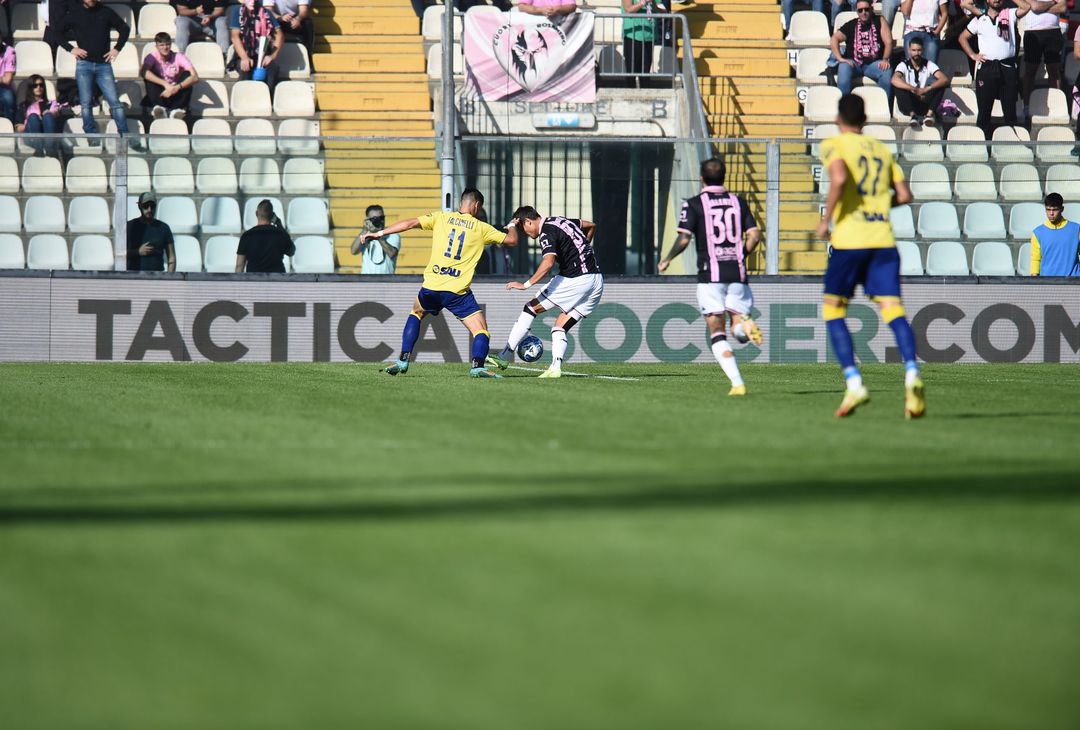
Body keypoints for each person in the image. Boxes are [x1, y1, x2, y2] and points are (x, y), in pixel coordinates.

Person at [815, 94, 924, 419]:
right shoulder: (881, 149)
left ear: (838, 118)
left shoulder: (834, 144)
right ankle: (912, 374)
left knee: (833, 310)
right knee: (893, 310)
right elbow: (904, 194)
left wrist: (826, 220)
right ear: (864, 120)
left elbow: (839, 178)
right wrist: (877, 206)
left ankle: (854, 382)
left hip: (850, 241)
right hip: (883, 241)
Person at [355, 187, 519, 379]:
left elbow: (409, 223)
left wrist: (379, 234)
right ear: (476, 206)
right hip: (457, 291)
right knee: (480, 330)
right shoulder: (482, 228)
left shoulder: (441, 218)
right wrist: (512, 225)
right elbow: (512, 240)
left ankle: (403, 360)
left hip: (432, 286)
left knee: (416, 313)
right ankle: (477, 366)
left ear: (461, 203)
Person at [657, 157, 763, 397]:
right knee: (738, 328)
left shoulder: (694, 204)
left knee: (717, 332)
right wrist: (739, 255)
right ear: (724, 176)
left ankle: (738, 384)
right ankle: (745, 325)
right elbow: (754, 236)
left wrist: (667, 259)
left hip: (710, 275)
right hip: (737, 272)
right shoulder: (739, 202)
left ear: (701, 178)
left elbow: (684, 239)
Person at [486, 206, 603, 379]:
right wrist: (581, 250)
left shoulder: (546, 231)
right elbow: (591, 225)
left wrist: (525, 285)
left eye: (523, 230)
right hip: (596, 281)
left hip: (576, 279)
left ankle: (505, 356)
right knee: (559, 327)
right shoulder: (561, 221)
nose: (525, 234)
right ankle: (555, 368)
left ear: (528, 221)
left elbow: (548, 263)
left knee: (530, 308)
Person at [61, 0, 140, 149]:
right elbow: (56, 32)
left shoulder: (106, 12)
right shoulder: (75, 13)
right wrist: (71, 48)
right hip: (84, 65)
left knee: (114, 102)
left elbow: (124, 28)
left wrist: (117, 48)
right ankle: (91, 136)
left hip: (104, 65)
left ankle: (124, 135)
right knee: (85, 103)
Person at [959, 0, 1030, 139]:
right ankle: (983, 143)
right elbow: (962, 37)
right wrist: (973, 55)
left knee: (1010, 110)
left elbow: (1027, 6)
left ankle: (1011, 142)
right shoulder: (979, 19)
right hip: (987, 68)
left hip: (1007, 67)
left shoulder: (1009, 15)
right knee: (984, 110)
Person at [830, 1, 894, 99]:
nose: (864, 12)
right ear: (857, 12)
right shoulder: (851, 24)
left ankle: (884, 104)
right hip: (854, 64)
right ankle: (845, 104)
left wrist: (885, 59)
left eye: (866, 9)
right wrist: (840, 58)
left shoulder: (879, 20)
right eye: (860, 10)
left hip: (874, 64)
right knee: (843, 66)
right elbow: (835, 38)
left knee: (886, 70)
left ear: (871, 9)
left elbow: (888, 42)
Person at [1019, 0, 1067, 119]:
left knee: (1054, 71)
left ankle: (1057, 104)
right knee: (1030, 70)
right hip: (1032, 32)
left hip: (1053, 31)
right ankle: (1027, 106)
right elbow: (1034, 7)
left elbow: (1063, 7)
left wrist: (1040, 8)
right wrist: (1052, 3)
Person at [892, 36, 951, 127]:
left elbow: (944, 79)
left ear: (923, 50)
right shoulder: (903, 65)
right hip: (909, 103)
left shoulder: (928, 64)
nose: (916, 53)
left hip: (924, 101)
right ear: (909, 50)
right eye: (914, 50)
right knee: (899, 87)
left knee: (941, 85)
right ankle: (913, 116)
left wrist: (927, 89)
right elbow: (894, 79)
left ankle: (929, 115)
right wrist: (913, 89)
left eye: (919, 50)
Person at [140, 32, 199, 122]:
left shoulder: (179, 56)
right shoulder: (152, 57)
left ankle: (177, 110)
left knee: (187, 74)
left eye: (167, 44)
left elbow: (195, 77)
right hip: (160, 92)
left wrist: (176, 88)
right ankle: (159, 108)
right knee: (149, 74)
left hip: (176, 91)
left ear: (171, 45)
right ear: (156, 47)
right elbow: (143, 72)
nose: (165, 47)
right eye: (161, 45)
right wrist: (165, 84)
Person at [229, 0, 283, 88]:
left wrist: (272, 56)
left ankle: (269, 94)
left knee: (272, 69)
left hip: (263, 55)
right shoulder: (237, 12)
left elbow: (279, 35)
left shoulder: (266, 12)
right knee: (245, 68)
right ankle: (244, 95)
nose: (253, 1)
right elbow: (235, 37)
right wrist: (244, 58)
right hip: (244, 54)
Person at [236, 199, 295, 273]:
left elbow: (239, 265)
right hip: (277, 278)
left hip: (254, 277)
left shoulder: (247, 235)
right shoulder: (280, 234)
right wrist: (280, 226)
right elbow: (291, 251)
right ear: (272, 215)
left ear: (256, 213)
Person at [1030, 193, 1080, 276]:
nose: (1051, 213)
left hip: (1073, 281)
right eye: (1048, 209)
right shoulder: (1037, 233)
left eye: (1055, 210)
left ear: (1062, 209)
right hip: (1048, 281)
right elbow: (1035, 259)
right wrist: (1034, 279)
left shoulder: (1077, 229)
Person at [126, 192, 176, 272]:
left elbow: (171, 258)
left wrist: (169, 278)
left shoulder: (164, 228)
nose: (149, 209)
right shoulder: (129, 226)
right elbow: (119, 254)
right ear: (139, 206)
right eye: (146, 206)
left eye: (152, 206)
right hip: (133, 276)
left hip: (158, 276)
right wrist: (138, 252)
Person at [17, 74, 64, 157]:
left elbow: (57, 117)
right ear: (30, 88)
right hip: (31, 135)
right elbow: (18, 127)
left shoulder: (51, 104)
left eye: (41, 85)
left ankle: (50, 152)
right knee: (33, 117)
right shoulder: (23, 106)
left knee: (48, 116)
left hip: (49, 134)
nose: (38, 87)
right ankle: (39, 151)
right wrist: (34, 122)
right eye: (35, 86)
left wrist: (51, 113)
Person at [621, 0, 665, 87]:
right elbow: (628, 10)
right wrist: (643, 2)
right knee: (631, 70)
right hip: (633, 35)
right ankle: (630, 93)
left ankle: (645, 93)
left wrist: (654, 4)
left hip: (649, 36)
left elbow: (663, 12)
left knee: (645, 71)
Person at [352, 205, 400, 275]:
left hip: (387, 279)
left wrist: (378, 235)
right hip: (366, 279)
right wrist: (365, 230)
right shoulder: (365, 235)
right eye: (375, 219)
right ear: (367, 220)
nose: (380, 221)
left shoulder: (392, 234)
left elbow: (392, 253)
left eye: (381, 218)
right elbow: (354, 251)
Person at [0, 37, 15, 123]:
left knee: (8, 97)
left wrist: (3, 79)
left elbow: (7, 80)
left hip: (4, 88)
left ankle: (9, 124)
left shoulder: (9, 51)